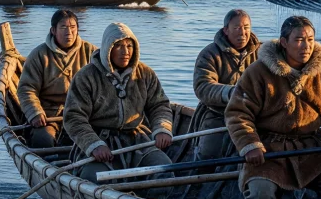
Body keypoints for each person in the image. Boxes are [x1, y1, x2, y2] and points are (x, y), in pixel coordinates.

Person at [225, 16, 321, 199]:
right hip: (269, 152)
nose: (306, 46)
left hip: (313, 150)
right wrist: (249, 144)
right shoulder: (258, 72)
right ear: (284, 42)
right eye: (299, 40)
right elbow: (238, 113)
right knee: (260, 197)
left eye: (310, 40)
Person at [63, 22, 176, 181]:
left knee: (164, 171)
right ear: (108, 49)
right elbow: (74, 118)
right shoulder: (86, 77)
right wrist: (94, 145)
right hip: (101, 142)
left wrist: (162, 129)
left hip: (137, 142)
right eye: (119, 46)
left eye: (129, 46)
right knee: (95, 178)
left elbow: (159, 105)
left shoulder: (145, 73)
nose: (125, 52)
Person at [16, 10, 97, 149]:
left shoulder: (91, 52)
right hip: (49, 115)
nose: (69, 32)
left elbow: (104, 82)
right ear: (53, 30)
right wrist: (35, 112)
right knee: (43, 140)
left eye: (73, 27)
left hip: (83, 114)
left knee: (96, 140)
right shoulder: (39, 55)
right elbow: (26, 89)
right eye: (64, 27)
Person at [193, 10, 261, 165]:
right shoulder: (210, 53)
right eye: (237, 28)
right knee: (208, 156)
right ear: (226, 30)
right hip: (218, 114)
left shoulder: (263, 52)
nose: (243, 33)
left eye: (246, 27)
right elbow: (202, 87)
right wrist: (231, 93)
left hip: (253, 115)